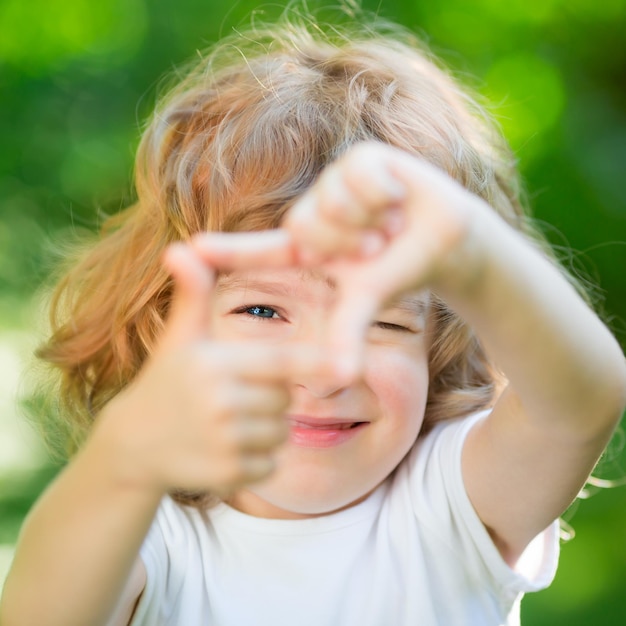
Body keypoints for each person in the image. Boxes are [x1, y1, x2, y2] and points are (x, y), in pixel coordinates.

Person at [1, 9, 625, 626]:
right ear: (163, 329)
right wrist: (123, 459)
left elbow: (580, 405)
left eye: (385, 322)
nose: (326, 371)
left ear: (437, 350)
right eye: (263, 309)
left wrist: (473, 257)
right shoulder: (149, 537)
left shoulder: (449, 504)